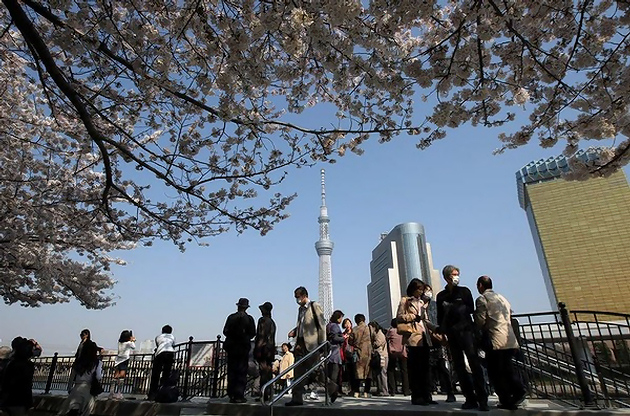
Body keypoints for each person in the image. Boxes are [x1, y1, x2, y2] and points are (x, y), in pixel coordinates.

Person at [436, 265, 489, 411]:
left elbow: (470, 309)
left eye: (457, 274)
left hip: (466, 332)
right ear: (447, 277)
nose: (456, 276)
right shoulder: (441, 296)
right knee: (459, 366)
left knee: (474, 364)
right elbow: (440, 317)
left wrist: (454, 307)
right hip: (452, 334)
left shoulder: (464, 291)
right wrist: (443, 333)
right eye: (454, 274)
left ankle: (482, 398)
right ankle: (469, 398)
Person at [474, 276, 527, 410]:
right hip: (509, 339)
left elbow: (480, 321)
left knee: (496, 372)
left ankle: (507, 398)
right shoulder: (502, 298)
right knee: (507, 368)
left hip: (495, 339)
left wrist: (475, 330)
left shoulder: (482, 299)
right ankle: (516, 393)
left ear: (480, 285)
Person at [285, 286, 339, 406]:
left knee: (315, 372)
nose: (297, 300)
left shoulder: (314, 306)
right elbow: (303, 325)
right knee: (298, 371)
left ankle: (332, 388)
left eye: (298, 297)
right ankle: (297, 398)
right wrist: (295, 331)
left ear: (304, 296)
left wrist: (322, 344)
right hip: (300, 344)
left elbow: (321, 325)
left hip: (312, 345)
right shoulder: (300, 310)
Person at [396, 279, 436, 406]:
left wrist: (434, 328)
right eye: (419, 289)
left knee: (426, 368)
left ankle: (427, 394)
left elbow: (426, 319)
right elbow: (399, 317)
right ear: (413, 289)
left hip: (424, 336)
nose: (421, 291)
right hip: (413, 336)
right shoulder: (405, 301)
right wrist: (413, 317)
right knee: (415, 367)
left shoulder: (422, 303)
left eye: (422, 289)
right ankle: (417, 395)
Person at [223, 297, 256, 404]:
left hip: (232, 347)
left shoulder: (231, 317)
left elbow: (225, 331)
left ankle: (231, 394)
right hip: (243, 347)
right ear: (246, 307)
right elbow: (252, 333)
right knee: (241, 371)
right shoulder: (249, 319)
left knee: (232, 371)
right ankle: (239, 394)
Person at [65, 340, 103, 416]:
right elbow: (99, 377)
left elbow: (71, 378)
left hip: (76, 389)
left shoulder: (78, 362)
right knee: (86, 411)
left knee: (72, 410)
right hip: (88, 389)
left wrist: (69, 389)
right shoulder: (97, 362)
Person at [0, 337, 36, 416]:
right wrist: (30, 404)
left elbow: (5, 384)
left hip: (6, 402)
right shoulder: (27, 366)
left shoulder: (10, 364)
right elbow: (26, 387)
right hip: (19, 403)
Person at [254, 301, 276, 401]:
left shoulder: (262, 321)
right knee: (268, 373)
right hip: (270, 350)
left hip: (263, 350)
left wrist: (258, 349)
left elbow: (261, 336)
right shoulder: (272, 322)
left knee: (263, 372)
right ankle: (269, 394)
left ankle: (263, 395)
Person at [148, 325, 176, 401]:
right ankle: (164, 391)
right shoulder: (172, 337)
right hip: (170, 353)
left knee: (156, 373)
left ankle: (152, 393)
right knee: (166, 373)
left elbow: (158, 345)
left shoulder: (158, 337)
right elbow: (173, 345)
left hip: (160, 353)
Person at [349, 314, 372, 398]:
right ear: (364, 319)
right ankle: (366, 392)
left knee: (357, 373)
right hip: (368, 353)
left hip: (358, 352)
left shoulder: (354, 329)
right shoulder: (369, 328)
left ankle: (356, 391)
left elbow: (350, 341)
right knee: (368, 373)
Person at [386, 318, 410, 396]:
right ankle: (406, 390)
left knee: (391, 370)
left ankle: (393, 390)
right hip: (403, 353)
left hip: (393, 352)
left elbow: (387, 338)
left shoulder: (391, 331)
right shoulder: (403, 331)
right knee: (404, 371)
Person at [109, 330, 135, 400]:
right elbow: (133, 347)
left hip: (118, 360)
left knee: (116, 376)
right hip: (124, 360)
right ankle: (119, 393)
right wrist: (133, 340)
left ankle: (111, 392)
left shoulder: (119, 342)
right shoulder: (128, 343)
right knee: (122, 376)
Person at [326, 310, 345, 396]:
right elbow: (335, 338)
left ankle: (331, 391)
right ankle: (333, 392)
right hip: (335, 354)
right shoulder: (335, 326)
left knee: (331, 373)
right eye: (341, 318)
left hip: (329, 353)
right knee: (334, 374)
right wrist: (344, 338)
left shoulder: (328, 325)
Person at [368, 321, 388, 396]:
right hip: (380, 355)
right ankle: (380, 390)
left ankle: (384, 391)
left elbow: (378, 343)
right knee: (379, 374)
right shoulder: (376, 334)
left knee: (382, 373)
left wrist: (372, 344)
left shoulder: (379, 334)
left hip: (382, 355)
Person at [341, 318, 357, 396]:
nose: (347, 325)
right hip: (346, 354)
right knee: (348, 372)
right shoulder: (343, 334)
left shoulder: (354, 332)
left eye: (348, 323)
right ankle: (350, 388)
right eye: (345, 323)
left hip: (353, 353)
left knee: (354, 372)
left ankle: (354, 389)